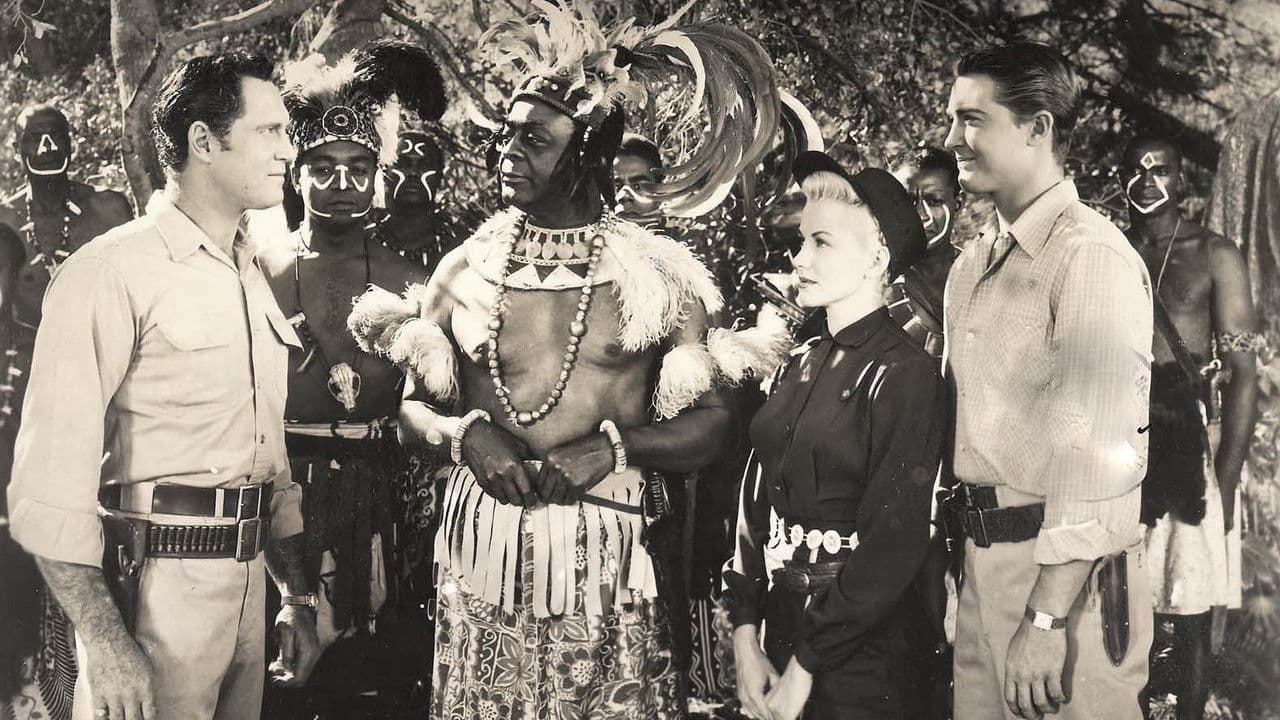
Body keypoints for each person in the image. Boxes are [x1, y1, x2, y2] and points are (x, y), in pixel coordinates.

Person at [347, 3, 792, 716]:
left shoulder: (657, 279)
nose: (506, 153)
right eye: (506, 135)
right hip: (481, 561)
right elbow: (410, 409)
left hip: (611, 567)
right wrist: (465, 436)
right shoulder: (463, 269)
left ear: (586, 153)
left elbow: (713, 424)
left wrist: (614, 450)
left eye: (534, 140)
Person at [5, 51, 320, 720]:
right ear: (204, 140)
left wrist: (295, 594)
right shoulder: (111, 272)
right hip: (154, 594)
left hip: (249, 595)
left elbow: (269, 459)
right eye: (269, 130)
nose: (289, 150)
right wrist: (104, 641)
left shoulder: (249, 272)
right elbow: (47, 488)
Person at [942, 42, 1155, 720]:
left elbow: (1101, 459)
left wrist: (1045, 619)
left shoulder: (1089, 257)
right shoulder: (971, 266)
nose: (951, 140)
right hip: (981, 569)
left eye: (973, 120)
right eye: (952, 119)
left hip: (1064, 587)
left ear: (1038, 128)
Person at [259, 42, 447, 719]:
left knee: (374, 683)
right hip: (278, 495)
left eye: (359, 169)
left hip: (381, 499)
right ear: (295, 174)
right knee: (278, 684)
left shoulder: (411, 279)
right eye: (323, 168)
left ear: (378, 178)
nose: (342, 183)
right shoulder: (258, 270)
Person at [724, 152, 946, 720]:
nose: (799, 259)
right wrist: (745, 634)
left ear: (878, 257)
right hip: (779, 631)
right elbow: (754, 505)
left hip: (866, 657)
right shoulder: (796, 363)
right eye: (802, 241)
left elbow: (893, 545)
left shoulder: (905, 374)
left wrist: (806, 665)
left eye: (821, 242)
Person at [0, 104, 134, 720]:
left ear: (73, 143)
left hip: (100, 391)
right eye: (35, 137)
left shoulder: (106, 211)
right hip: (21, 392)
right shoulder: (6, 221)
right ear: (17, 146)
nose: (48, 147)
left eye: (57, 136)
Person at [1121, 133, 1259, 720]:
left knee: (1192, 615)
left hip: (1189, 447)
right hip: (1120, 447)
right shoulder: (1109, 252)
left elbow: (1244, 375)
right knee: (1122, 606)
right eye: (1135, 170)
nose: (1147, 181)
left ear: (1182, 181)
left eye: (1160, 170)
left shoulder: (1216, 255)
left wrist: (1224, 482)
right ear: (1120, 181)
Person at [888, 145, 961, 358]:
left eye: (934, 201)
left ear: (957, 204)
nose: (921, 215)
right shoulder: (873, 289)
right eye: (908, 201)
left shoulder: (983, 274)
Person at [375, 128, 459, 270]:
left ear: (440, 177)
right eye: (403, 163)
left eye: (424, 165)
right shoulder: (362, 244)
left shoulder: (463, 248)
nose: (413, 173)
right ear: (384, 173)